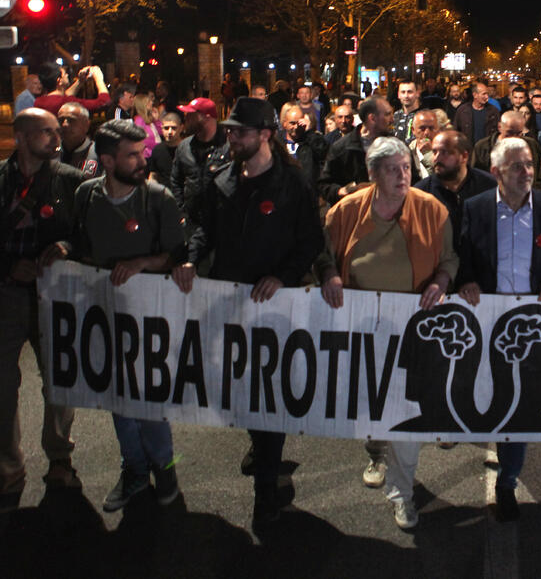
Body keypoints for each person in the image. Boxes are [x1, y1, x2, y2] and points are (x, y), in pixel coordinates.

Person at [172, 97, 323, 527]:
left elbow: (310, 241)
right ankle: (260, 442)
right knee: (242, 384)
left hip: (274, 305)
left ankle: (266, 487)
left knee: (269, 391)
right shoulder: (219, 176)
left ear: (265, 136)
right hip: (229, 300)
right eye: (230, 130)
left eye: (240, 131)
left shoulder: (292, 186)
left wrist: (283, 275)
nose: (231, 137)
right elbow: (203, 227)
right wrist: (190, 258)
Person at [320, 136, 458, 529]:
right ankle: (375, 450)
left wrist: (443, 280)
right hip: (362, 330)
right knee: (370, 403)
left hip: (415, 331)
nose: (403, 176)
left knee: (407, 413)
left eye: (408, 168)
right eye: (394, 169)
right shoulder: (345, 212)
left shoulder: (432, 210)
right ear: (373, 174)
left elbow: (449, 258)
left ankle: (403, 493)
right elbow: (323, 256)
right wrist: (329, 274)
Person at [457, 137, 541, 522]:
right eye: (516, 166)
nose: (526, 172)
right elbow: (459, 254)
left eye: (529, 164)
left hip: (528, 325)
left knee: (518, 406)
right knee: (482, 393)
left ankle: (507, 482)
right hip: (485, 318)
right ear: (495, 173)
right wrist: (467, 280)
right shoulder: (474, 209)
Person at [68, 120, 186, 511]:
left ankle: (164, 467)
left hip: (149, 319)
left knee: (149, 399)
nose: (143, 160)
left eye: (143, 152)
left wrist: (142, 263)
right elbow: (78, 244)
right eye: (132, 155)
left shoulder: (158, 198)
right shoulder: (86, 196)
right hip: (102, 316)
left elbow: (179, 257)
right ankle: (134, 469)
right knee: (118, 397)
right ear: (106, 160)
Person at [0, 109, 85, 513]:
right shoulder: (1, 181)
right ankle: (8, 466)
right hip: (9, 293)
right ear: (20, 137)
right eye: (45, 132)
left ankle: (59, 459)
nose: (56, 138)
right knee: (2, 384)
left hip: (54, 293)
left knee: (59, 377)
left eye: (58, 130)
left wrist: (68, 248)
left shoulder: (69, 180)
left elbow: (89, 228)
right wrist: (7, 266)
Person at [414, 129, 496, 251]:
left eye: (445, 153)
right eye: (434, 152)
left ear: (464, 156)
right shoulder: (421, 192)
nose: (436, 158)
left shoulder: (488, 186)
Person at [317, 96, 393, 205]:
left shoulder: (396, 147)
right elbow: (324, 184)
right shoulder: (341, 148)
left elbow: (412, 182)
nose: (392, 119)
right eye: (387, 114)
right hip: (353, 214)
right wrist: (340, 191)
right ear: (372, 118)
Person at [170, 98, 228, 228]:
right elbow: (175, 180)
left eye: (191, 115)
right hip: (192, 222)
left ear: (205, 117)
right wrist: (181, 211)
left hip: (221, 223)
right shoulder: (184, 147)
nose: (186, 118)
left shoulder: (228, 147)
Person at [472, 110, 541, 182]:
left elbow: (538, 177)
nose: (514, 137)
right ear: (499, 127)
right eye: (510, 132)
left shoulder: (531, 145)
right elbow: (476, 177)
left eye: (518, 133)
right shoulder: (482, 147)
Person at [33, 63, 110, 116]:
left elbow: (63, 96)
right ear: (59, 81)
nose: (67, 75)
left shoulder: (38, 101)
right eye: (64, 74)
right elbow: (104, 102)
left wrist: (80, 81)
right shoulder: (66, 103)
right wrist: (98, 78)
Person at [57, 102, 101, 179]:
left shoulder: (99, 153)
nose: (65, 124)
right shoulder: (50, 152)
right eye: (61, 120)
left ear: (87, 124)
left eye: (71, 120)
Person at [149, 112, 183, 185]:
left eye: (174, 128)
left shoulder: (187, 149)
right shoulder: (157, 150)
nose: (170, 132)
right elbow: (153, 175)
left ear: (181, 128)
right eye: (166, 128)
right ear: (162, 129)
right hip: (163, 193)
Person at [133, 92, 162, 158]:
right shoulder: (139, 120)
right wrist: (149, 153)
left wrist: (157, 120)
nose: (152, 103)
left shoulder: (150, 119)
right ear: (142, 105)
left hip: (156, 154)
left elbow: (161, 133)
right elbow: (140, 140)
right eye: (149, 102)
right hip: (148, 157)